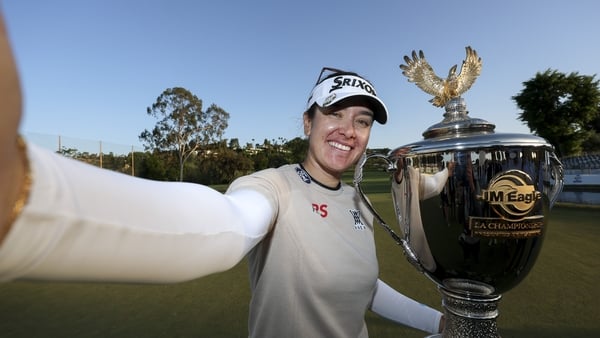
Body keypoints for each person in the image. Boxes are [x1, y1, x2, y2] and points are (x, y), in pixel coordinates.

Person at [0, 13, 444, 337]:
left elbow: (363, 285)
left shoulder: (358, 204)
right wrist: (25, 192)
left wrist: (438, 321)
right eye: (335, 114)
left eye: (362, 121)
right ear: (307, 122)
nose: (349, 130)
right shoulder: (274, 187)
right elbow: (227, 225)